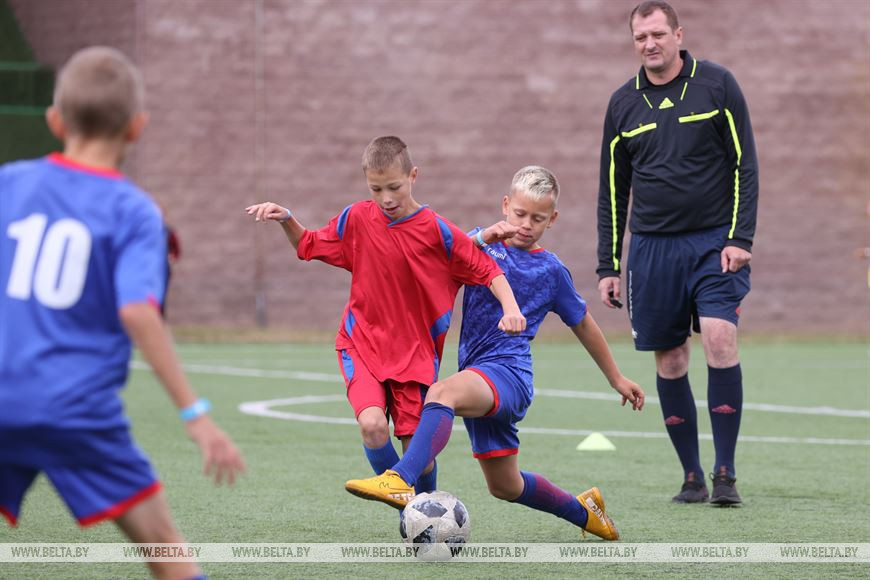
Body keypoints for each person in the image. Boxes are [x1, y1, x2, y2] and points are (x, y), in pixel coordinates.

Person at [0, 47, 245, 580]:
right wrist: (196, 416)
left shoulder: (9, 183)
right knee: (165, 547)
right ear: (137, 128)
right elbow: (137, 311)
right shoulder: (135, 210)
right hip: (75, 410)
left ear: (55, 120)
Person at [345, 166, 645, 541]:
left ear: (552, 219)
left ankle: (400, 479)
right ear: (505, 205)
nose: (526, 225)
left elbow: (583, 324)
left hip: (509, 374)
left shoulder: (551, 270)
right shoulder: (480, 244)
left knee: (441, 394)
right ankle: (585, 511)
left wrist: (616, 378)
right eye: (520, 214)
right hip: (478, 377)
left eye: (538, 218)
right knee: (506, 486)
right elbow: (436, 255)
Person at [245, 136, 526, 496]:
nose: (386, 198)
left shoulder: (437, 230)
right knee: (372, 425)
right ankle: (411, 506)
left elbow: (488, 269)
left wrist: (511, 308)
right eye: (376, 189)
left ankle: (423, 506)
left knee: (421, 460)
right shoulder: (356, 218)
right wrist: (288, 218)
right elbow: (308, 244)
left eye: (394, 187)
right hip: (361, 344)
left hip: (415, 355)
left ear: (413, 176)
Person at [596, 1, 758, 505]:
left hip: (713, 242)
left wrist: (740, 238)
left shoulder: (717, 85)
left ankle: (725, 473)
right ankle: (692, 477)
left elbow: (745, 165)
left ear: (678, 35)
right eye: (640, 37)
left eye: (658, 34)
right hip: (651, 250)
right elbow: (612, 192)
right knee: (669, 359)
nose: (650, 44)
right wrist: (608, 265)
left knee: (719, 337)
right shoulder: (622, 103)